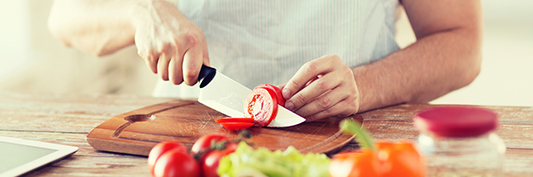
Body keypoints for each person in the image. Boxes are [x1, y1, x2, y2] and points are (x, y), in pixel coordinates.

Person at [48, 0, 482, 122]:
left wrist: (365, 85)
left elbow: (462, 46)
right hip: (192, 143)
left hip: (349, 140)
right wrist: (137, 11)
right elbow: (64, 17)